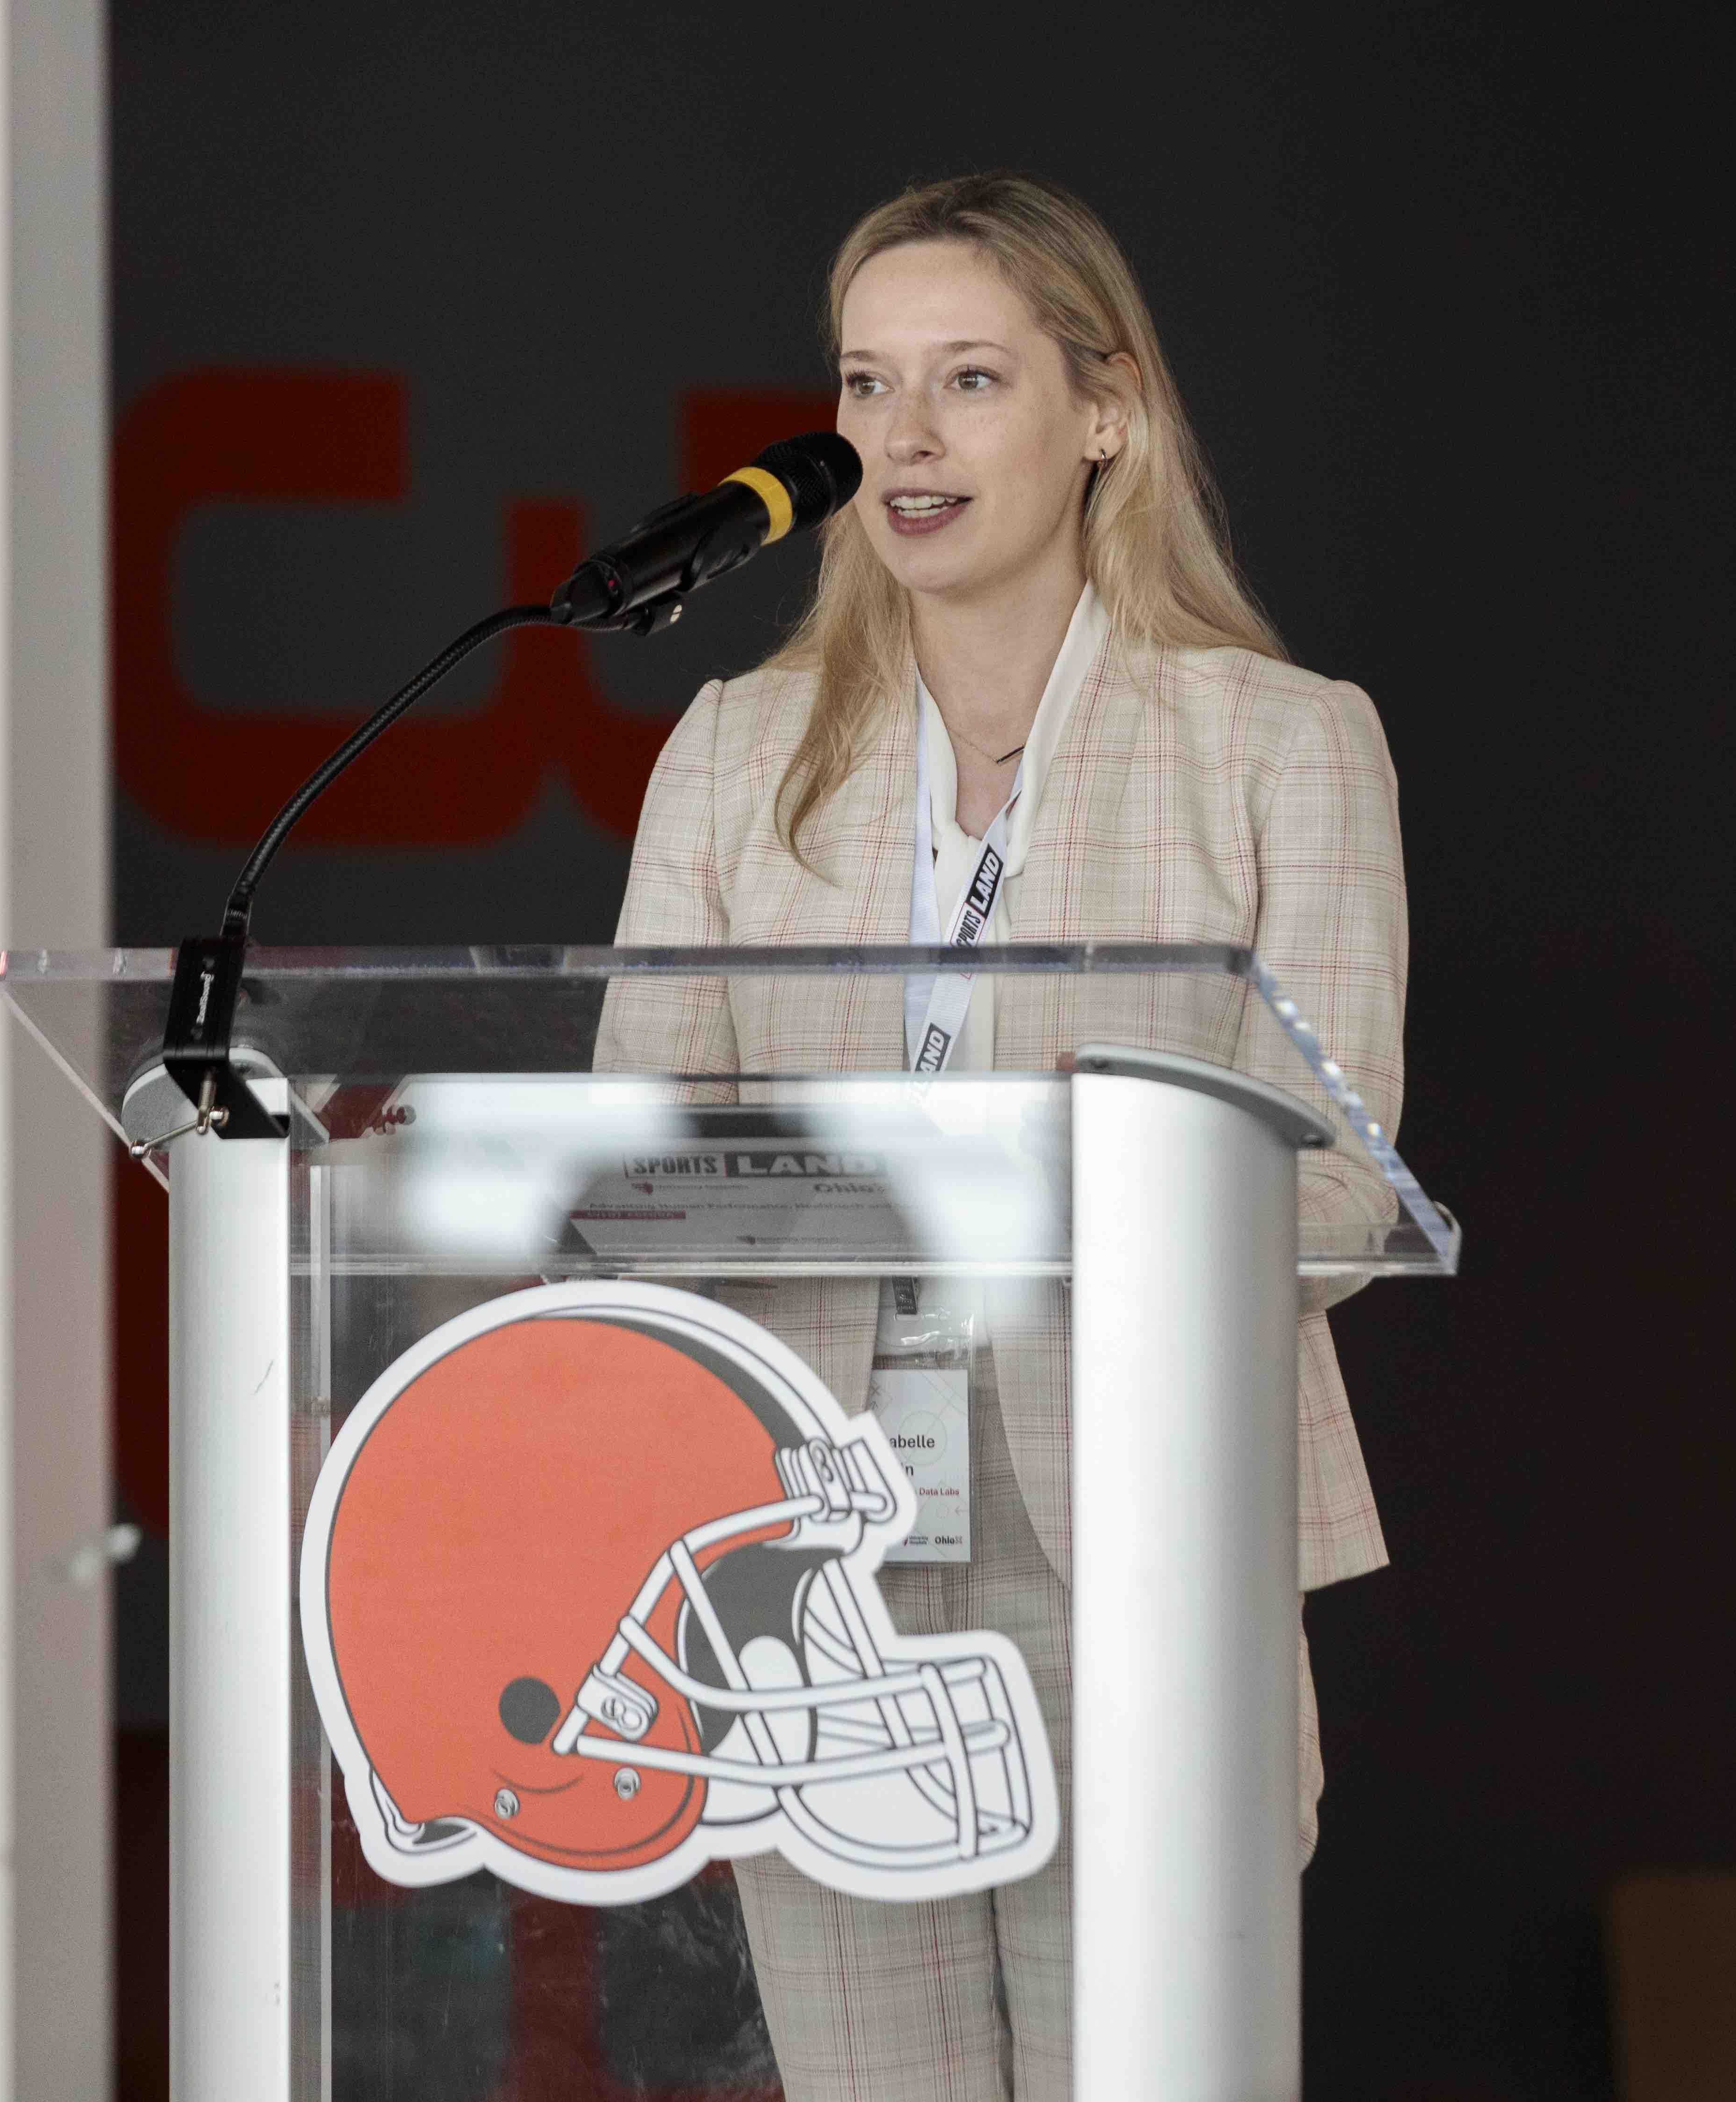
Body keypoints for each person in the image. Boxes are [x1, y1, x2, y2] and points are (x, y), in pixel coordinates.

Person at [594, 170, 1406, 2098]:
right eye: (871, 388)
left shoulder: (1282, 744)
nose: (908, 440)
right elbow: (632, 1179)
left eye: (970, 379)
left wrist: (1043, 1183)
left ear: (1104, 408)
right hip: (807, 1558)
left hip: (1137, 1537)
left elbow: (1348, 1190)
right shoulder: (733, 746)